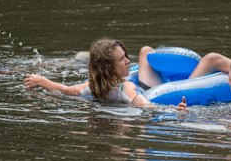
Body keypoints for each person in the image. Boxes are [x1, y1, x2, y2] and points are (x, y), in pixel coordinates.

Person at [24, 38, 187, 109]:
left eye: (126, 56)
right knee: (147, 51)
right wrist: (174, 111)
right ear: (108, 68)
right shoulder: (127, 87)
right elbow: (145, 105)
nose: (128, 61)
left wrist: (41, 81)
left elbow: (66, 90)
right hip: (154, 92)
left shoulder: (94, 87)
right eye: (122, 59)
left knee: (145, 51)